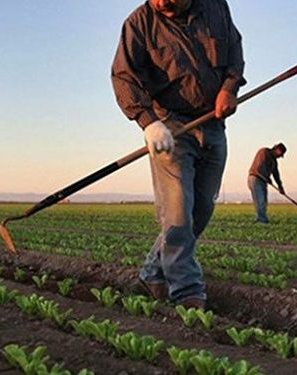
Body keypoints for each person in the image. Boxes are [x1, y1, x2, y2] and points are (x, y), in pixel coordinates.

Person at [112, 0, 245, 309]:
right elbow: (123, 76)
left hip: (212, 124)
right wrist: (149, 123)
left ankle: (151, 273)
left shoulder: (216, 8)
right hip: (169, 127)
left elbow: (234, 53)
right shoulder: (139, 23)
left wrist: (229, 88)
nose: (162, 2)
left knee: (200, 213)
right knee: (177, 214)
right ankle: (186, 291)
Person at [247, 143, 287, 223]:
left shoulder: (274, 161)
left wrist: (280, 187)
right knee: (260, 200)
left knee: (264, 201)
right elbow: (260, 166)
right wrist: (267, 178)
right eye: (280, 154)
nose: (280, 156)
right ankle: (262, 220)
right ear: (276, 149)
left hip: (263, 180)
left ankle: (260, 218)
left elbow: (276, 174)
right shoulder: (264, 152)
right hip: (255, 178)